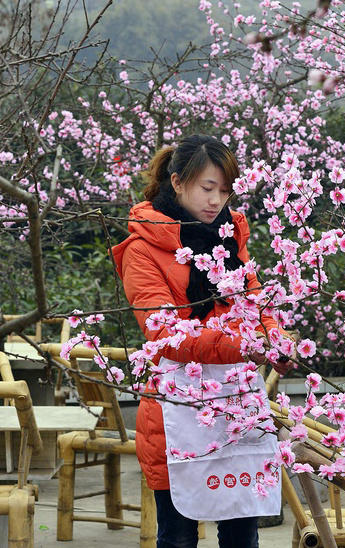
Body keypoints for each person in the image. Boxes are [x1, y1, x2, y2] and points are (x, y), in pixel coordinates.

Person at [112, 134, 293, 548]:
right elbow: (165, 334)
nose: (216, 201)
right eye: (207, 188)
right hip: (176, 407)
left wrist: (275, 338)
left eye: (225, 191)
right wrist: (245, 346)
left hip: (236, 402)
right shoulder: (143, 248)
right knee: (178, 537)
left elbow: (257, 305)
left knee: (242, 534)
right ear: (177, 182)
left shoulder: (232, 238)